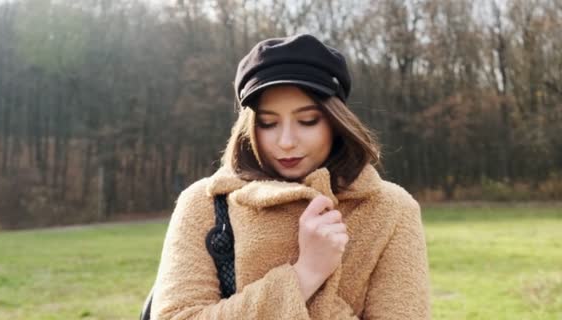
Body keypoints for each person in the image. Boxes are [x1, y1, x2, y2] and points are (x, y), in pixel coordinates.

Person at [149, 34, 430, 319]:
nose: (286, 141)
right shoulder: (204, 202)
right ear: (249, 128)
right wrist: (306, 274)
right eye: (268, 123)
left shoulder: (391, 209)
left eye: (307, 120)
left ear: (335, 121)